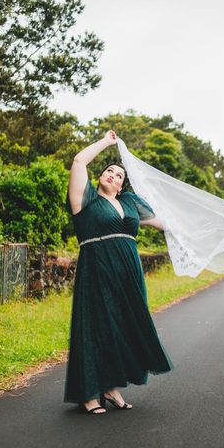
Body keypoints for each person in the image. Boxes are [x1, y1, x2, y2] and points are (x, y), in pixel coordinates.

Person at [65, 130, 173, 414]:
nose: (112, 174)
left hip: (128, 273)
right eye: (108, 170)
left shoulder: (129, 204)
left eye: (119, 175)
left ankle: (111, 387)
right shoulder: (85, 200)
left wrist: (204, 231)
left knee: (122, 326)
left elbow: (164, 223)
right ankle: (89, 394)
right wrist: (106, 142)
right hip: (97, 268)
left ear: (123, 186)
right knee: (96, 326)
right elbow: (78, 162)